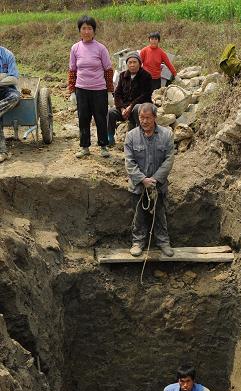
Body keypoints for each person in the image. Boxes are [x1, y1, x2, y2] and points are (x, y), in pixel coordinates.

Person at [124, 102, 174, 257]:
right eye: (141, 117)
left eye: (147, 118)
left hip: (158, 186)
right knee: (139, 215)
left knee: (159, 214)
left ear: (155, 118)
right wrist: (142, 179)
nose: (144, 121)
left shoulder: (166, 135)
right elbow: (129, 162)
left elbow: (169, 160)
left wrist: (155, 179)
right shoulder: (131, 136)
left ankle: (163, 242)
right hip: (139, 187)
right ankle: (138, 242)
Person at [68, 15, 114, 159]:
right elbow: (72, 71)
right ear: (79, 31)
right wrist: (72, 91)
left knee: (100, 118)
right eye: (84, 28)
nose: (86, 31)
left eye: (89, 28)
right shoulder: (75, 48)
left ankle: (104, 146)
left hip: (99, 90)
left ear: (94, 31)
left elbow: (108, 70)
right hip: (81, 89)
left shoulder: (101, 48)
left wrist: (109, 92)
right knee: (83, 118)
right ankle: (85, 147)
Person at [108, 52, 152, 146]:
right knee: (111, 112)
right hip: (124, 107)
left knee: (137, 109)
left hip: (139, 106)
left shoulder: (146, 76)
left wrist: (131, 106)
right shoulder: (123, 75)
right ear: (127, 64)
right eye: (130, 62)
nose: (132, 65)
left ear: (139, 64)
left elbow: (145, 95)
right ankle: (110, 137)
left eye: (134, 62)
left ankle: (140, 137)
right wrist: (122, 108)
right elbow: (117, 94)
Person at [0, 46, 20, 163]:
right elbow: (9, 76)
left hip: (7, 89)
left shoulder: (8, 54)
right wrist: (4, 75)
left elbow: (14, 79)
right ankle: (2, 152)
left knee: (15, 97)